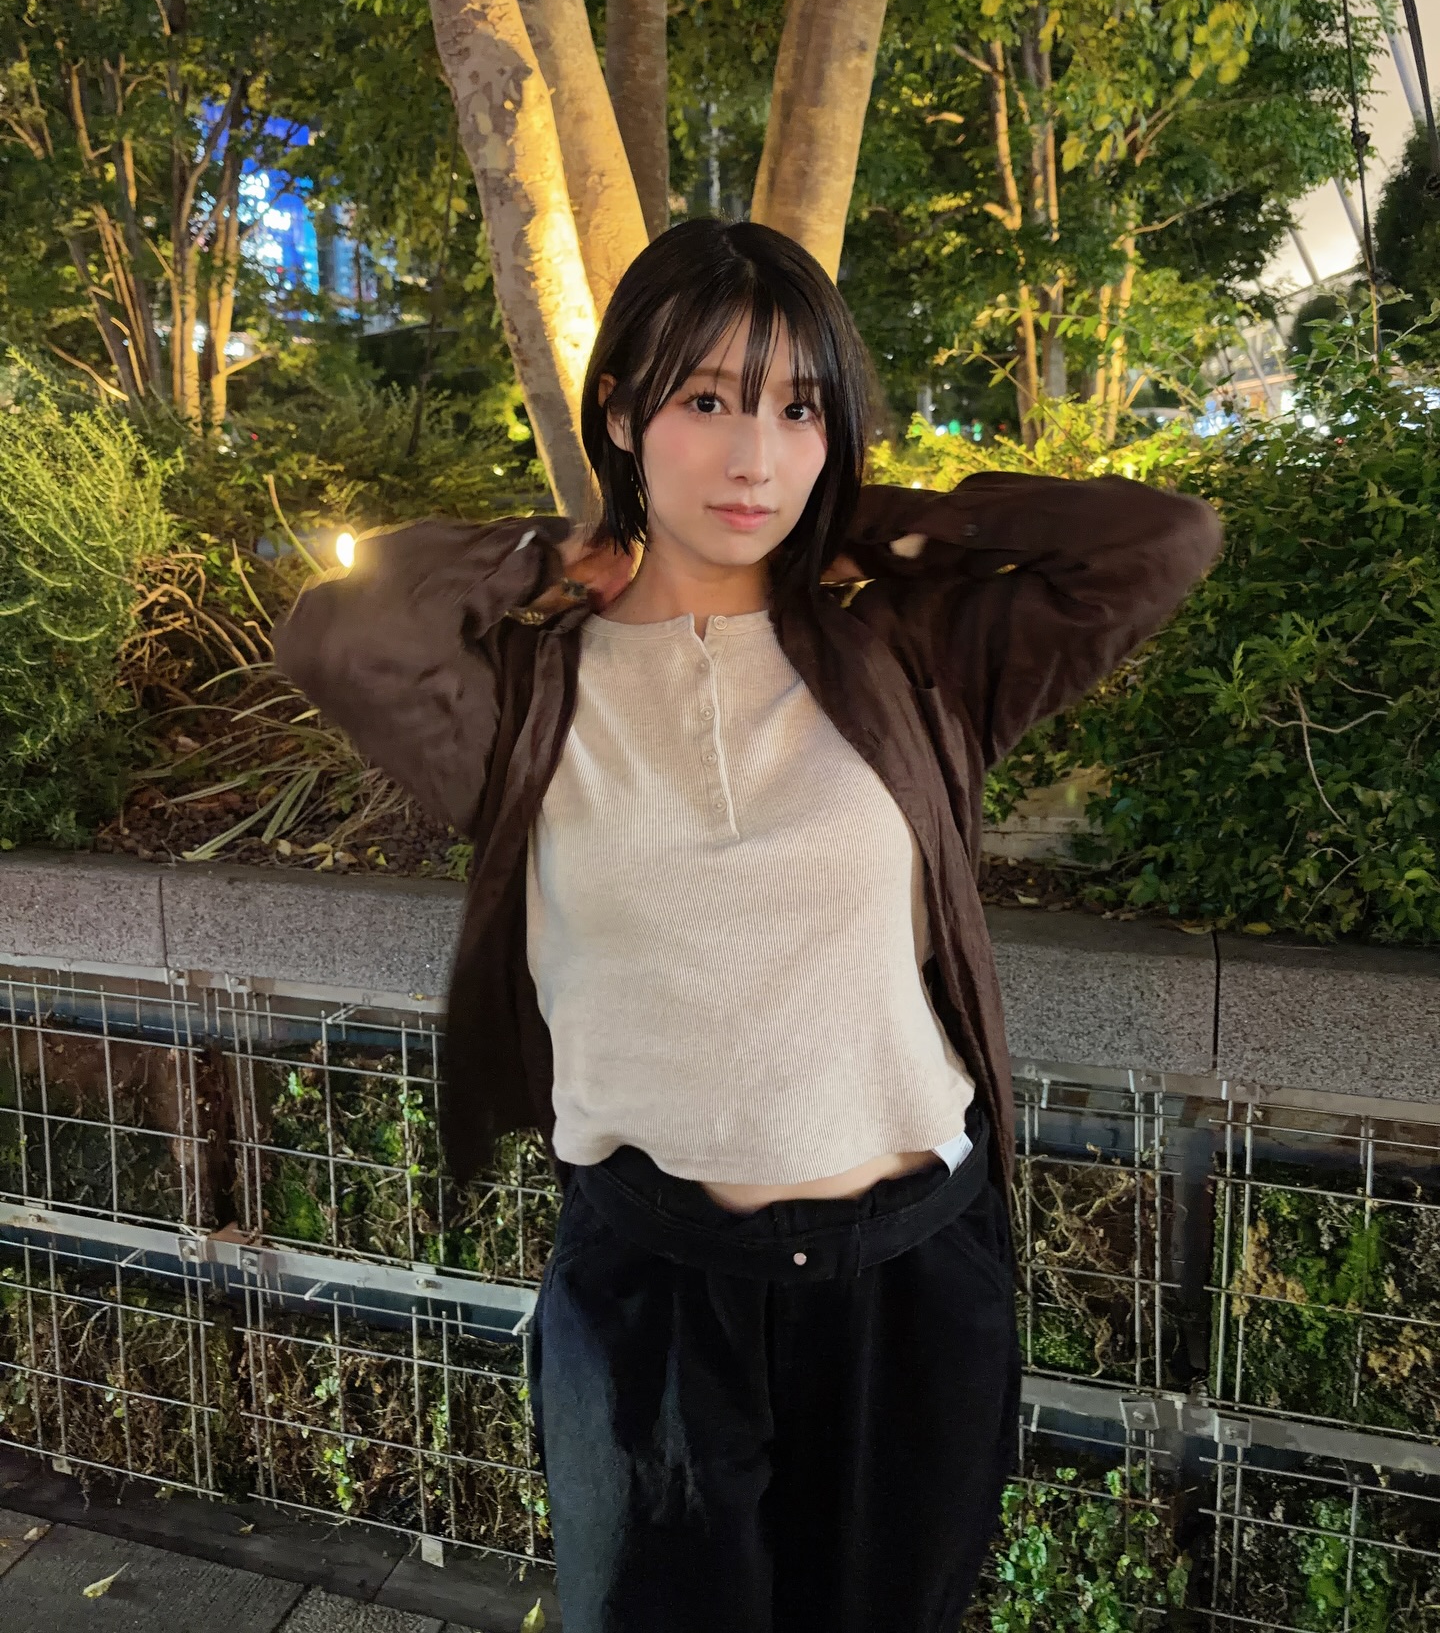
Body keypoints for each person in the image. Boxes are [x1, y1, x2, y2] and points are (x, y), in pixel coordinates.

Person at [272, 217, 1222, 1633]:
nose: (753, 458)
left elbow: (1159, 543)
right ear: (621, 412)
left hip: (908, 1277)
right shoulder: (529, 697)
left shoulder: (907, 655)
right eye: (708, 399)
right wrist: (553, 552)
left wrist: (884, 523)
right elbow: (340, 633)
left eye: (799, 409)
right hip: (658, 1290)